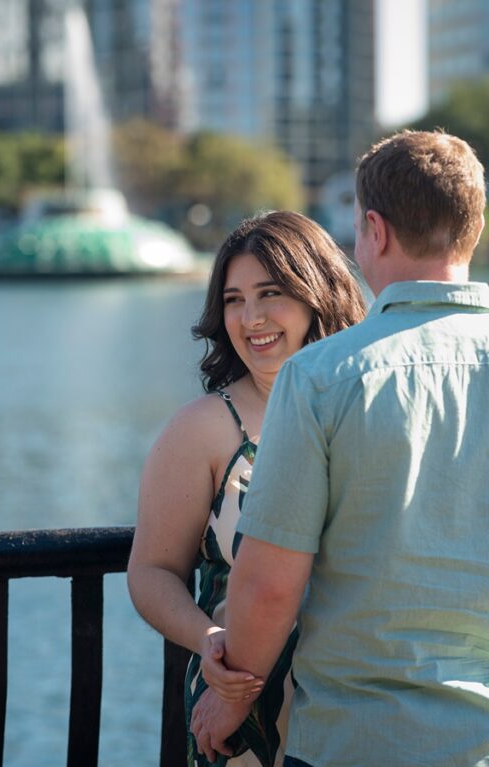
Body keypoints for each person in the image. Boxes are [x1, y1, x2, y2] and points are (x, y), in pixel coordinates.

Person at [191, 131, 489, 766]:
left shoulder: (322, 377)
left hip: (359, 739)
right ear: (477, 225)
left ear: (374, 231)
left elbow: (270, 584)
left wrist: (234, 697)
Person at [127, 211, 367, 766]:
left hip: (361, 709)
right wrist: (209, 638)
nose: (251, 318)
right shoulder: (206, 427)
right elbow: (151, 571)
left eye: (270, 293)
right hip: (242, 709)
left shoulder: (367, 404)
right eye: (234, 299)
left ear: (318, 295)